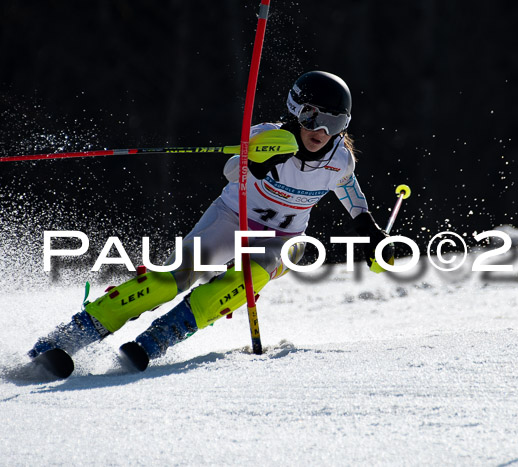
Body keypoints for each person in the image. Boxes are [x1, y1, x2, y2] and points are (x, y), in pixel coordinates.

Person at [29, 70, 392, 375]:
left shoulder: (340, 159)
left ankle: (160, 337)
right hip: (233, 216)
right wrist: (255, 166)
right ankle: (71, 336)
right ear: (297, 109)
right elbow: (231, 170)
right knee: (179, 273)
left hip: (284, 237)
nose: (321, 131)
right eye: (314, 116)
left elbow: (348, 189)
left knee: (252, 274)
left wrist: (371, 231)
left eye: (334, 121)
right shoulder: (267, 136)